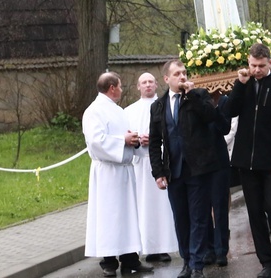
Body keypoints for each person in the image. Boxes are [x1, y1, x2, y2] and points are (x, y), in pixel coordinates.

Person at [226, 43, 271, 278]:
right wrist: (239, 84)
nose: (256, 70)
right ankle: (267, 262)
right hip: (246, 160)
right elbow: (231, 111)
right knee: (255, 212)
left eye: (261, 66)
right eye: (253, 65)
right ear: (248, 63)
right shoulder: (243, 84)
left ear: (270, 64)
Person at [149, 60, 220, 278]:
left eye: (184, 73)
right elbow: (154, 142)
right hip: (174, 170)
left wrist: (192, 96)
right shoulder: (158, 106)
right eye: (177, 73)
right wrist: (158, 172)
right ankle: (187, 261)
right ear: (166, 79)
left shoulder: (198, 96)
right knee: (181, 218)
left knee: (199, 217)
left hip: (198, 168)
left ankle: (197, 264)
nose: (182, 76)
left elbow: (211, 117)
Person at [82, 72, 153, 277]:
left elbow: (125, 135)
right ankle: (109, 261)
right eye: (120, 86)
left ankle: (130, 259)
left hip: (124, 171)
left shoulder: (118, 111)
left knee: (128, 216)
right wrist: (123, 140)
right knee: (109, 217)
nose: (122, 90)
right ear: (112, 87)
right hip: (107, 173)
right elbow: (96, 141)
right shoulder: (93, 111)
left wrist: (136, 140)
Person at [123, 73, 177, 264]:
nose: (147, 85)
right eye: (143, 82)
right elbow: (125, 135)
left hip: (160, 162)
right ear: (138, 86)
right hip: (140, 164)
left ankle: (162, 247)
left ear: (157, 84)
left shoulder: (165, 105)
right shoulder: (129, 111)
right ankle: (144, 246)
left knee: (162, 208)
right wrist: (137, 140)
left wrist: (155, 140)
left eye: (150, 82)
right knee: (142, 208)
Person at [204, 92, 233, 267]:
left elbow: (225, 128)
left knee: (220, 206)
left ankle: (221, 249)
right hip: (199, 160)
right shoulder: (192, 99)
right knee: (203, 207)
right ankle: (209, 248)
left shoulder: (224, 101)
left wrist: (214, 107)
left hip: (219, 160)